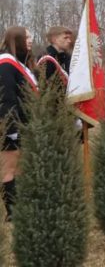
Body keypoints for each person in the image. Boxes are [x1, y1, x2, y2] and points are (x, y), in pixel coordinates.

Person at [0, 26, 36, 221]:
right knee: (9, 168)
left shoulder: (20, 64)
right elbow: (7, 99)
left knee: (20, 167)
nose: (30, 40)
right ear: (17, 39)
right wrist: (10, 129)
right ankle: (11, 212)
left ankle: (20, 205)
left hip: (23, 124)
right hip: (9, 126)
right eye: (27, 37)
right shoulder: (5, 64)